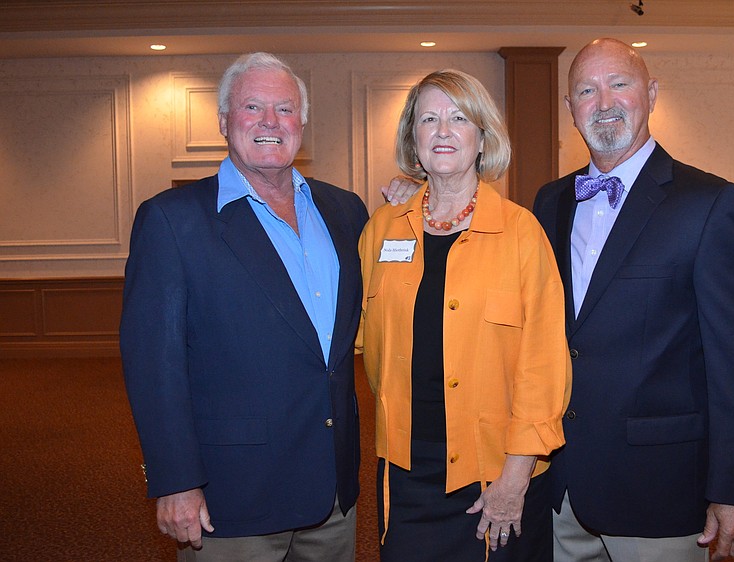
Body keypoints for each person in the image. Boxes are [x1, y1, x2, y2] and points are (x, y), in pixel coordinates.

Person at [120, 52, 370, 561]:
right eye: (253, 107)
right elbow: (154, 366)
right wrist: (176, 481)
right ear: (223, 121)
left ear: (302, 123)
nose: (270, 122)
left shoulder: (346, 210)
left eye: (285, 109)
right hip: (232, 498)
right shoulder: (172, 220)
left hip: (333, 492)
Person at [533, 38, 734, 561]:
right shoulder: (549, 201)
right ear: (570, 108)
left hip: (658, 488)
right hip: (561, 486)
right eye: (586, 90)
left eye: (619, 84)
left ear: (652, 93)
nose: (604, 102)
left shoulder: (711, 204)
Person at [357, 69, 571, 562]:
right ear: (412, 137)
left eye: (459, 118)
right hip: (406, 471)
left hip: (494, 473)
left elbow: (544, 366)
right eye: (428, 119)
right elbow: (361, 340)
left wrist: (515, 478)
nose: (443, 131)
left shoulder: (521, 233)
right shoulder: (383, 229)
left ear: (483, 137)